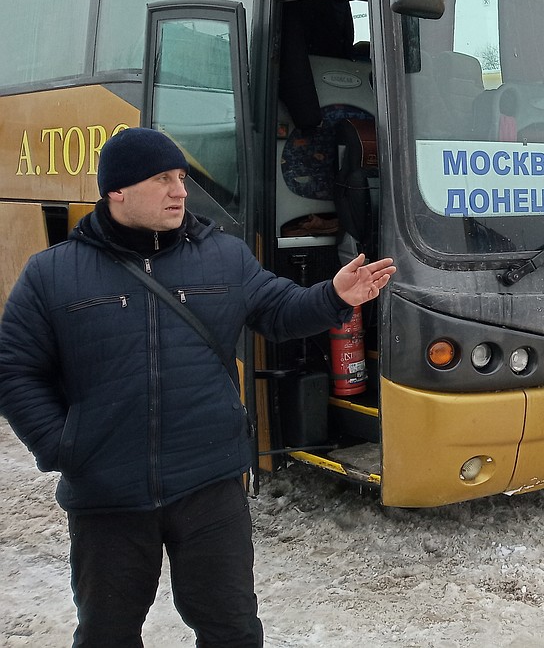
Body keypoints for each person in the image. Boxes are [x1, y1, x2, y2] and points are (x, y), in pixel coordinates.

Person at [0, 127, 397, 647]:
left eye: (182, 178)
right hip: (108, 497)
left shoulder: (223, 257)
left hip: (210, 485)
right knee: (107, 633)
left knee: (231, 630)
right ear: (117, 190)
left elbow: (278, 311)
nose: (180, 191)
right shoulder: (52, 274)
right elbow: (14, 369)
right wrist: (63, 445)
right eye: (162, 179)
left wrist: (331, 296)